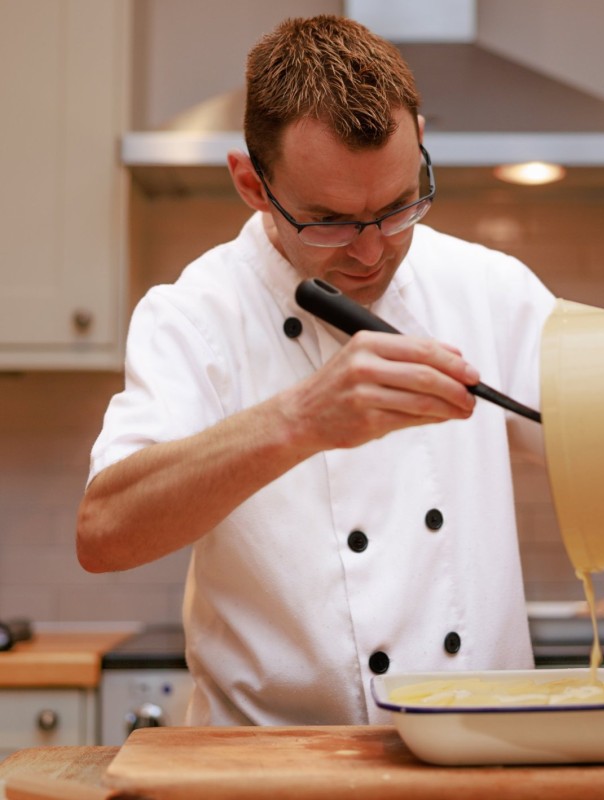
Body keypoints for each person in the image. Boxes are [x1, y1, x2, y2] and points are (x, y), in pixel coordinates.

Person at [77, 14, 557, 726]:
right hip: (270, 767)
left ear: (419, 142)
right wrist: (298, 421)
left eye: (398, 209)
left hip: (480, 758)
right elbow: (105, 532)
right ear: (251, 183)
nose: (370, 253)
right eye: (328, 221)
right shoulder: (193, 315)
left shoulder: (492, 289)